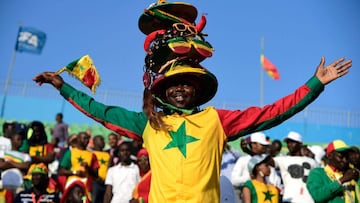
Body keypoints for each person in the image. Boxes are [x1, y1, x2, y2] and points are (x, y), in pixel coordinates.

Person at [32, 0, 352, 202]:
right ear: (163, 89)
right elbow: (100, 111)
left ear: (198, 89)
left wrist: (314, 84)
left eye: (188, 83)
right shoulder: (148, 123)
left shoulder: (217, 120)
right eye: (174, 83)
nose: (181, 89)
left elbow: (273, 113)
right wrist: (64, 87)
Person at [272, 131, 316, 203]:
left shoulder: (312, 161)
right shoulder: (283, 159)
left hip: (308, 200)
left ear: (300, 144)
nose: (289, 145)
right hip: (289, 199)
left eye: (292, 142)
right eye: (288, 142)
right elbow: (265, 161)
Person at [92, 135, 110, 203]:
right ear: (95, 142)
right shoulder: (91, 154)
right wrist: (96, 178)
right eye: (101, 140)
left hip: (106, 183)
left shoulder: (107, 155)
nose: (104, 142)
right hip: (95, 183)